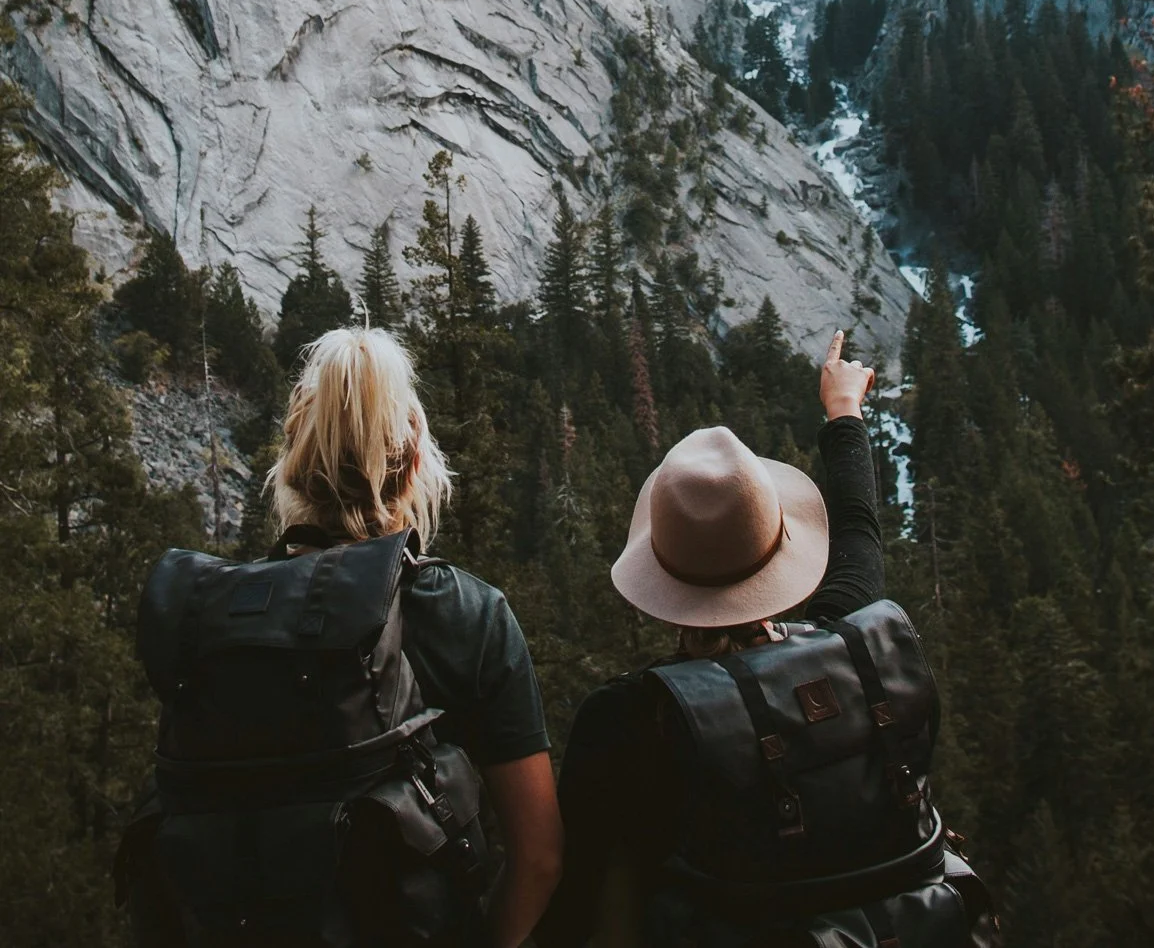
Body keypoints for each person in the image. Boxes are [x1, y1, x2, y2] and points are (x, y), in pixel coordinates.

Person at [536, 330, 994, 948]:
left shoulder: (630, 721)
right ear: (778, 551)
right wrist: (844, 410)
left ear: (662, 577)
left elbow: (574, 903)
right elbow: (859, 534)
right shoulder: (848, 652)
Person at [118, 327, 563, 948]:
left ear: (292, 465)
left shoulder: (223, 621)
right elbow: (538, 858)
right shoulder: (466, 611)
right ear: (411, 463)